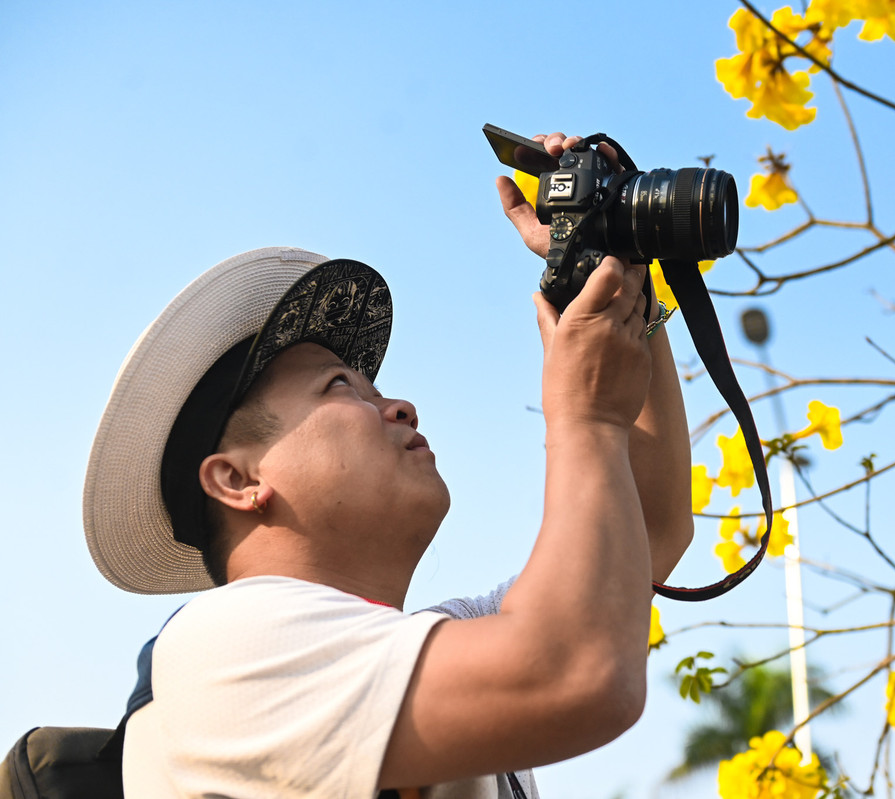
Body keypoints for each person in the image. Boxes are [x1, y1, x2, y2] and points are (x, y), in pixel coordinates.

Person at [82, 133, 694, 798]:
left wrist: (613, 277)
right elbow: (579, 669)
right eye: (340, 388)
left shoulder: (419, 645)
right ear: (238, 478)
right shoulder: (220, 647)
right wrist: (586, 418)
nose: (401, 406)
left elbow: (649, 530)